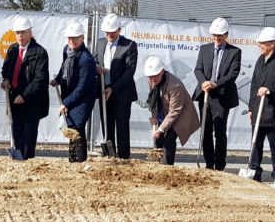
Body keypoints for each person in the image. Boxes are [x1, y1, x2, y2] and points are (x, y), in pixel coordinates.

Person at [192, 17, 241, 170]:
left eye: (220, 35)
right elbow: (198, 69)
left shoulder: (234, 52)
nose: (216, 38)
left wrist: (216, 83)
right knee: (205, 131)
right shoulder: (204, 49)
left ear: (226, 34)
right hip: (205, 95)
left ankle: (219, 165)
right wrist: (204, 83)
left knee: (219, 132)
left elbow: (233, 74)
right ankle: (208, 163)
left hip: (222, 97)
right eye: (214, 35)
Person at [247, 27, 275, 182]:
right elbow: (254, 85)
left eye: (262, 43)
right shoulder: (260, 61)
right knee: (256, 144)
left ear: (272, 44)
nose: (259, 45)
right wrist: (251, 107)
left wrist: (270, 90)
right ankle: (254, 173)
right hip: (259, 111)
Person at [1, 16, 49, 160]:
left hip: (32, 103)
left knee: (28, 137)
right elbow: (5, 70)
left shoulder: (40, 52)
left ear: (30, 32)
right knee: (16, 133)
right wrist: (5, 80)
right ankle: (18, 160)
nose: (20, 36)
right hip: (14, 100)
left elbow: (40, 80)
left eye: (23, 32)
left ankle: (27, 162)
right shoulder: (13, 49)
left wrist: (24, 96)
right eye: (18, 33)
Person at [94, 13, 138, 159]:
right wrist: (97, 68)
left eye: (112, 32)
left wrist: (113, 88)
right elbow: (94, 61)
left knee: (122, 129)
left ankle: (124, 159)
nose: (109, 35)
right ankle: (109, 158)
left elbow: (129, 71)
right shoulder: (100, 43)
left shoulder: (129, 45)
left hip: (121, 94)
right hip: (103, 92)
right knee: (107, 127)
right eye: (106, 32)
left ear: (119, 30)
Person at [53, 21, 96, 162]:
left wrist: (66, 102)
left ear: (82, 38)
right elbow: (63, 67)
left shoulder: (86, 59)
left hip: (84, 97)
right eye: (70, 38)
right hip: (71, 94)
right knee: (70, 125)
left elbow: (83, 86)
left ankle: (80, 161)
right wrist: (58, 79)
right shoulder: (67, 50)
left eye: (75, 38)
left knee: (77, 126)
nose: (72, 41)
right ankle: (72, 160)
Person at [144, 56, 200, 165]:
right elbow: (154, 100)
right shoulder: (151, 80)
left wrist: (161, 129)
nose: (152, 80)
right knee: (157, 139)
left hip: (181, 114)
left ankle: (168, 168)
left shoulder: (175, 86)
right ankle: (158, 165)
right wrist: (155, 117)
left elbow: (174, 112)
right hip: (164, 111)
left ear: (162, 72)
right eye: (150, 77)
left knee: (168, 140)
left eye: (155, 76)